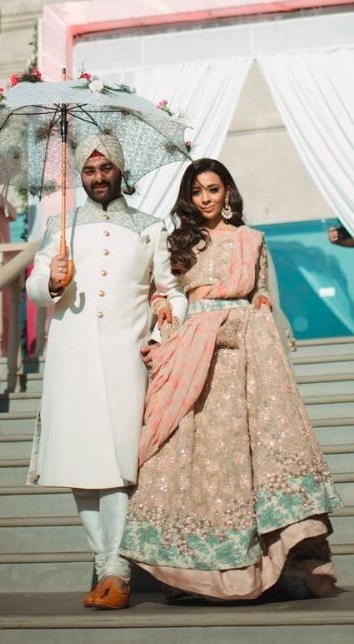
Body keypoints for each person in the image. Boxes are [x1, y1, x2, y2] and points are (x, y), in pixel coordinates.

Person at [119, 158, 343, 601]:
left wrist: (258, 304)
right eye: (198, 191)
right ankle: (194, 570)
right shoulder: (179, 241)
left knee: (248, 452)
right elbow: (164, 286)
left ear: (227, 193)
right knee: (194, 455)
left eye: (213, 189)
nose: (205, 198)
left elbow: (260, 289)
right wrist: (163, 304)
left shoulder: (250, 239)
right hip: (192, 351)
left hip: (244, 352)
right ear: (189, 197)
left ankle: (270, 559)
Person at [25, 133, 187, 609]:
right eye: (90, 171)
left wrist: (165, 322)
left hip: (126, 355)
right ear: (81, 175)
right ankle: (104, 564)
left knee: (118, 463)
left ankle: (117, 570)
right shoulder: (61, 225)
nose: (98, 178)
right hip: (71, 356)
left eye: (106, 169)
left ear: (120, 171)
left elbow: (172, 289)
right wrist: (50, 281)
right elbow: (34, 284)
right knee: (81, 463)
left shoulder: (149, 227)